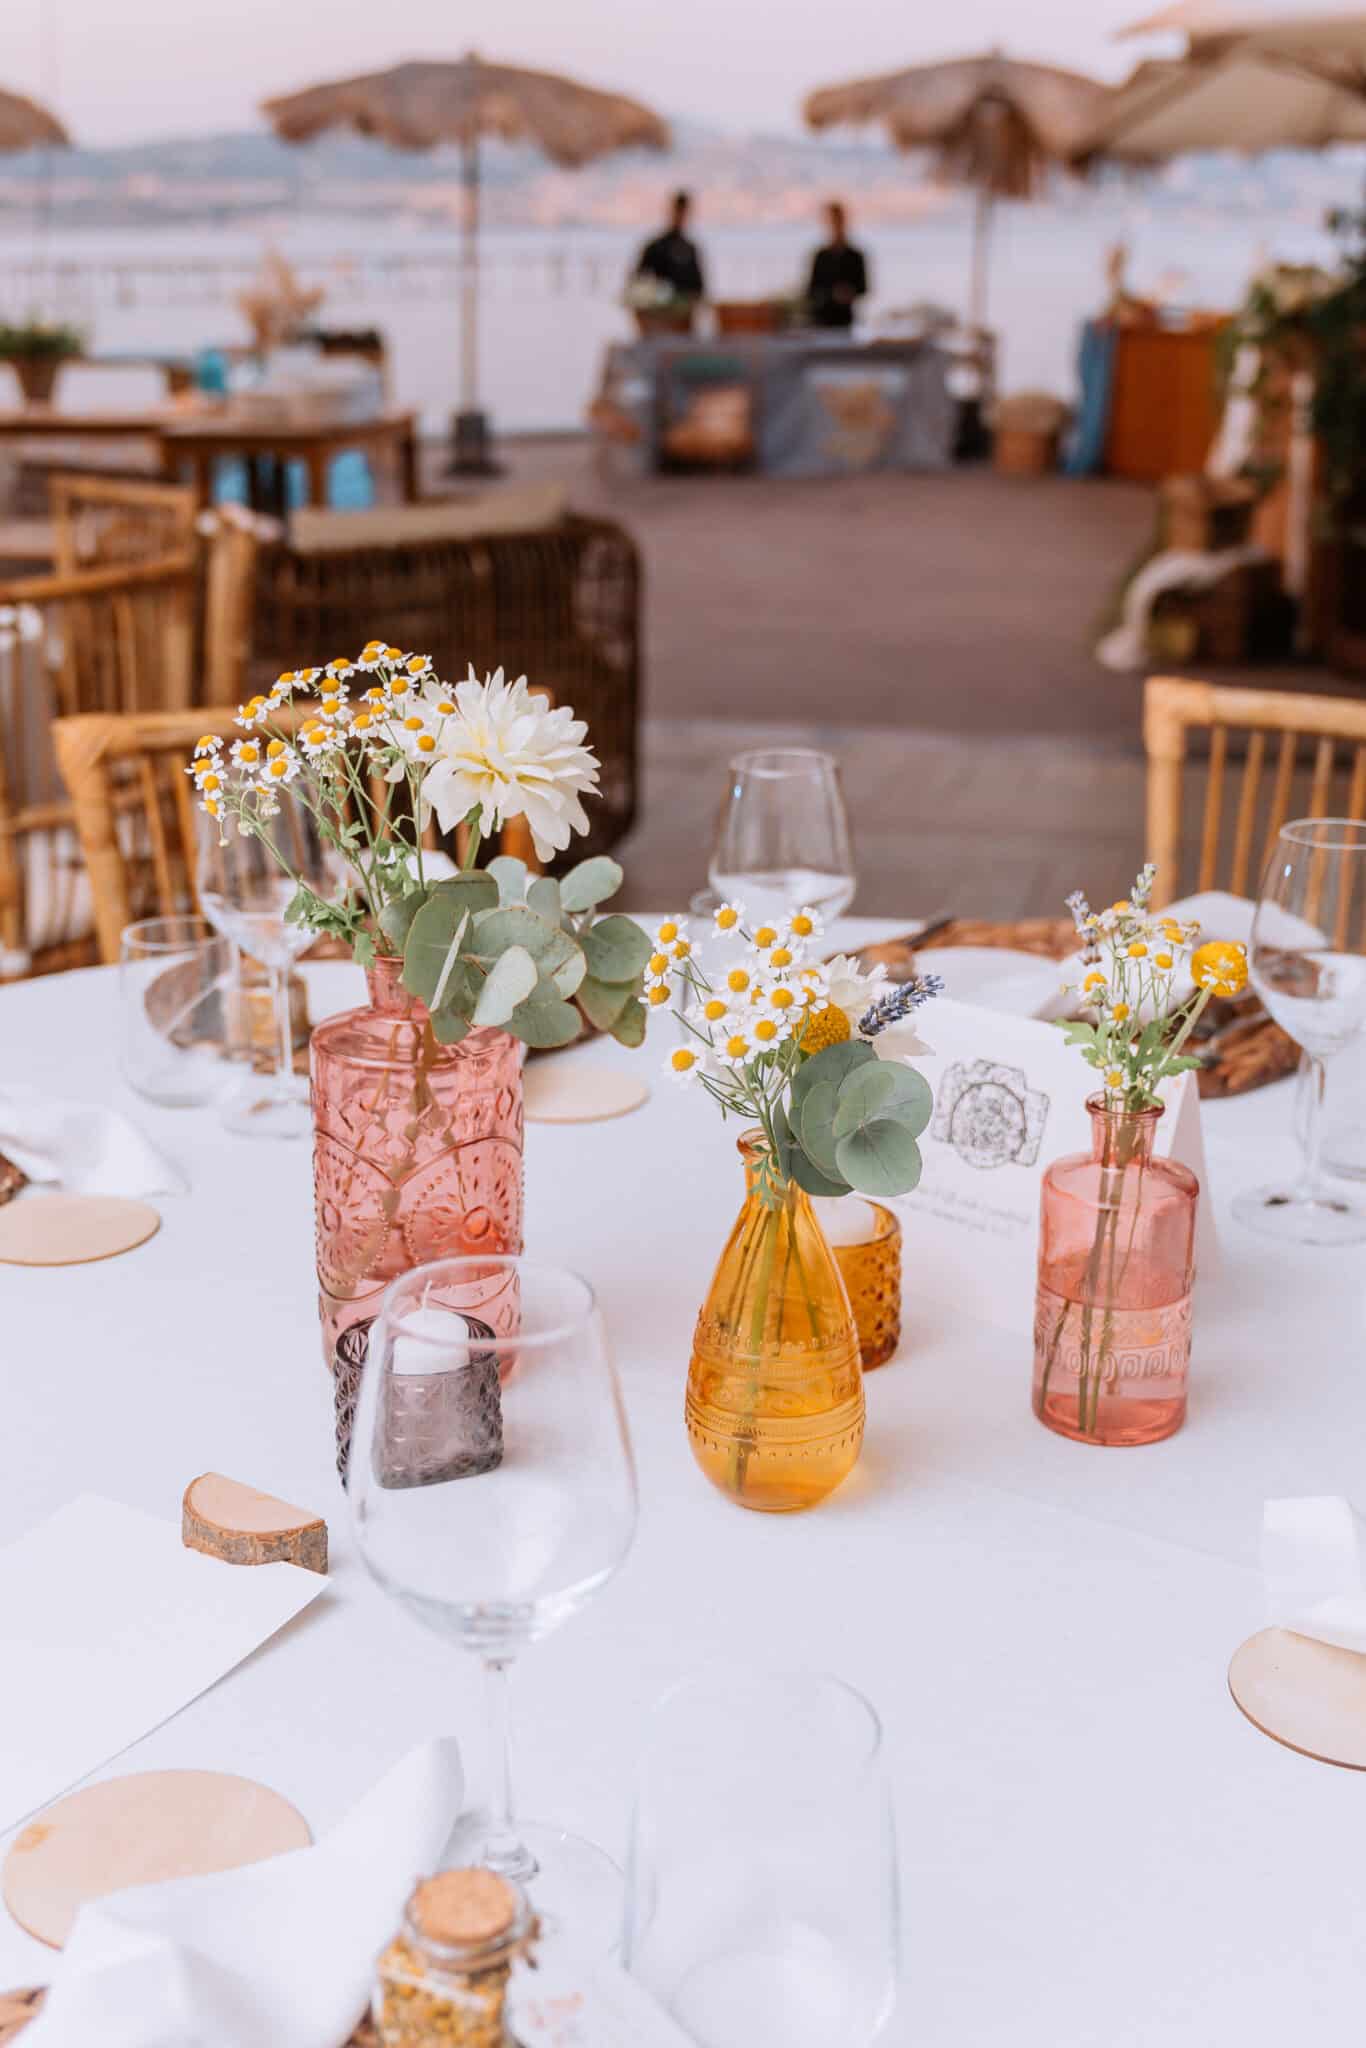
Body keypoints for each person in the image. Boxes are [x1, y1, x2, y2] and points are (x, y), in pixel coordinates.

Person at [806, 201, 869, 330]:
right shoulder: (821, 256)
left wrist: (849, 293)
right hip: (821, 321)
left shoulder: (855, 256)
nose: (835, 225)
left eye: (838, 220)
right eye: (832, 220)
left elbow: (864, 288)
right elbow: (810, 290)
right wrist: (831, 294)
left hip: (846, 321)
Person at [635, 191, 706, 303]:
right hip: (657, 309)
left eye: (683, 212)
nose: (680, 216)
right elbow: (637, 282)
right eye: (677, 211)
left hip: (684, 310)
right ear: (670, 211)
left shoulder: (690, 249)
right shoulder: (654, 247)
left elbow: (699, 289)